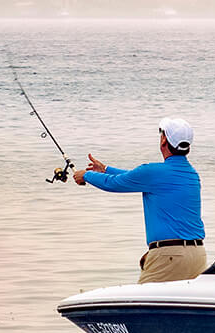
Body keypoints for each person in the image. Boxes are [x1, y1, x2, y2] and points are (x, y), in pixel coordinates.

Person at [78, 116, 207, 283]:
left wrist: (86, 175)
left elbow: (114, 184)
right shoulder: (191, 174)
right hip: (197, 255)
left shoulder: (153, 173)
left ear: (163, 141)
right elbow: (135, 178)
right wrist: (105, 170)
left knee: (140, 306)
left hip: (170, 255)